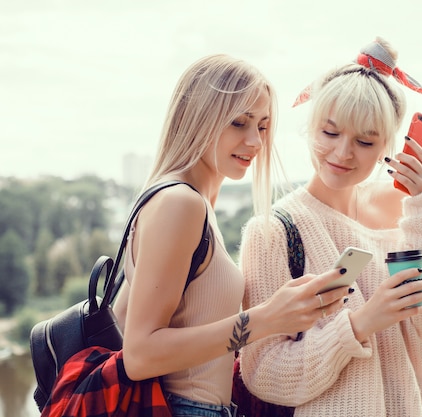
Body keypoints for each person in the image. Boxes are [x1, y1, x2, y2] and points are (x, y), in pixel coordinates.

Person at [111, 54, 351, 417]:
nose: (255, 141)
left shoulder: (193, 201)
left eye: (264, 126)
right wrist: (267, 319)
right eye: (239, 123)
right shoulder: (180, 203)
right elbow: (140, 355)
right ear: (198, 118)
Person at [238, 37, 422, 416]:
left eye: (364, 140)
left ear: (387, 145)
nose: (343, 153)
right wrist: (359, 324)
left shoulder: (406, 211)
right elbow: (263, 373)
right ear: (310, 129)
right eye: (330, 133)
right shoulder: (274, 232)